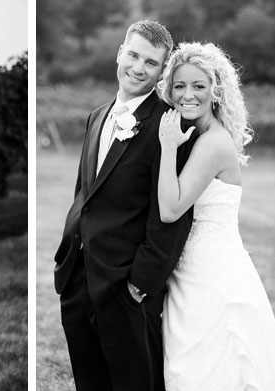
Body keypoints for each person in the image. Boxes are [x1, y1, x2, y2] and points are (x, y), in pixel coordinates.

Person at [53, 20, 199, 391]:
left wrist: (141, 285)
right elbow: (85, 194)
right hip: (78, 276)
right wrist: (66, 258)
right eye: (133, 55)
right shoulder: (97, 116)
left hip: (127, 286)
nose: (137, 67)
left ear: (162, 69)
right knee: (90, 381)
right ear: (120, 52)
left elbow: (172, 215)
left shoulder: (169, 126)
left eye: (150, 63)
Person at [156, 41, 275, 391]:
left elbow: (170, 208)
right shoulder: (200, 136)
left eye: (198, 86)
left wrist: (166, 146)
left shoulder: (213, 143)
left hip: (210, 278)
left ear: (216, 91)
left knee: (200, 370)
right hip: (189, 271)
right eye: (179, 85)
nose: (187, 94)